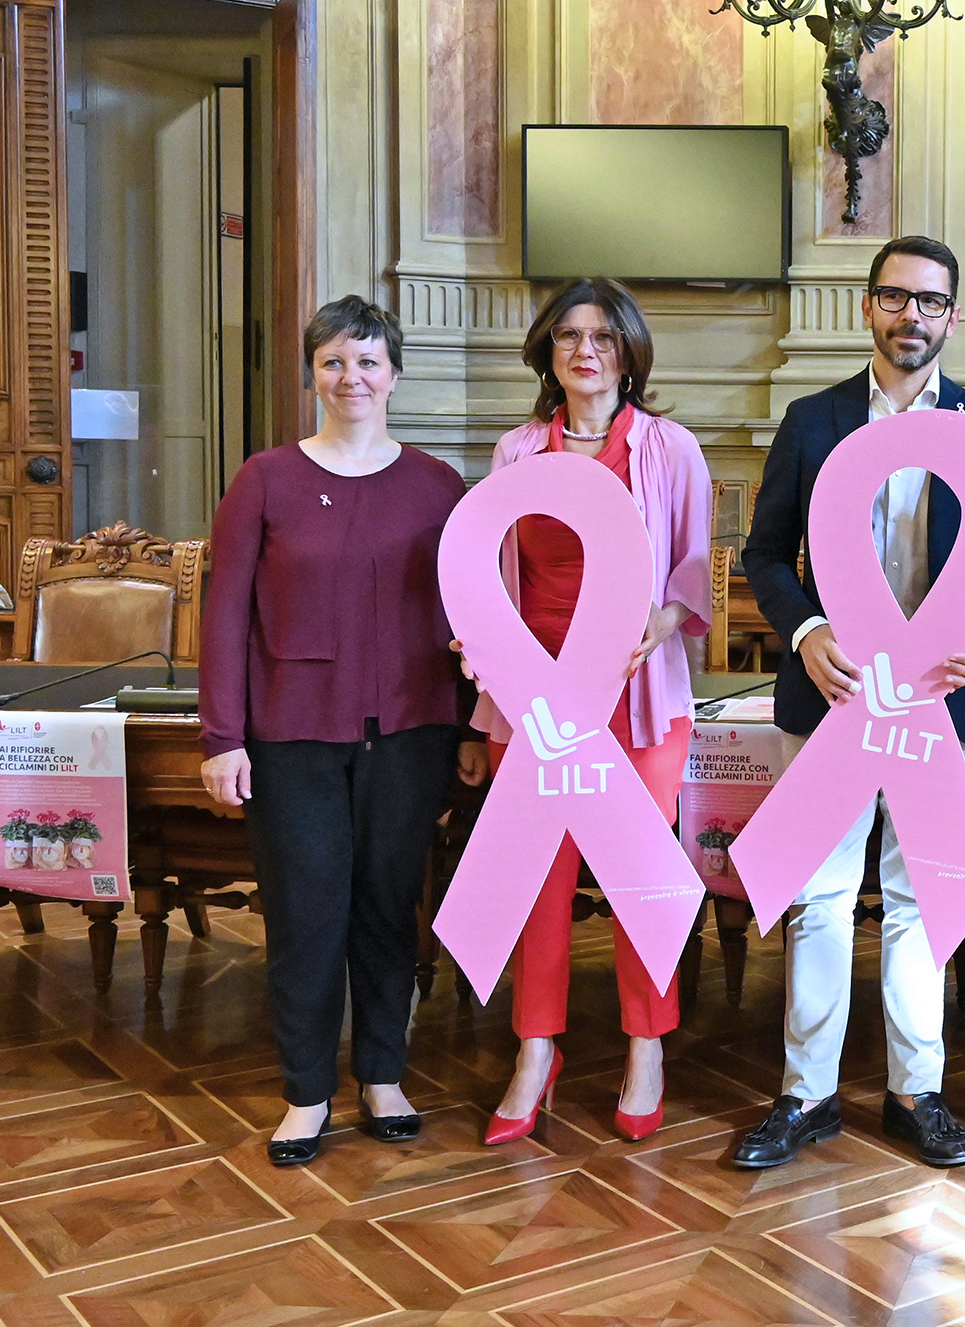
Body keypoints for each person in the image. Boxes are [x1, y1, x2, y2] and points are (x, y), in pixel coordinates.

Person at [732, 235, 965, 1172]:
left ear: (951, 316)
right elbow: (766, 555)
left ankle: (917, 1091)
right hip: (829, 700)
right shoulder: (813, 420)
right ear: (869, 306)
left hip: (943, 706)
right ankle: (807, 1093)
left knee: (920, 899)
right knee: (820, 899)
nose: (913, 316)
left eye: (932, 302)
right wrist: (808, 630)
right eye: (897, 298)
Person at [200, 296, 485, 1167]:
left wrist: (473, 725)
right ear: (312, 375)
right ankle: (307, 1091)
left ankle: (385, 1076)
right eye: (333, 361)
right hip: (292, 735)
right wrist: (221, 737)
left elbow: (467, 613)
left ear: (393, 374)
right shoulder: (265, 479)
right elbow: (222, 615)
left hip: (412, 730)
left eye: (366, 361)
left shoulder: (439, 484)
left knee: (389, 908)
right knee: (305, 911)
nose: (350, 377)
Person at [477, 278, 713, 1148]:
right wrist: (486, 652)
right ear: (547, 349)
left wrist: (661, 620)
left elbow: (693, 569)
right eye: (571, 335)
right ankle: (536, 1049)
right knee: (536, 881)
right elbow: (490, 574)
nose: (587, 350)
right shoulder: (514, 453)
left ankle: (645, 1045)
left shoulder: (669, 447)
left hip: (638, 700)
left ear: (629, 352)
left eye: (605, 337)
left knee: (635, 879)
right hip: (535, 702)